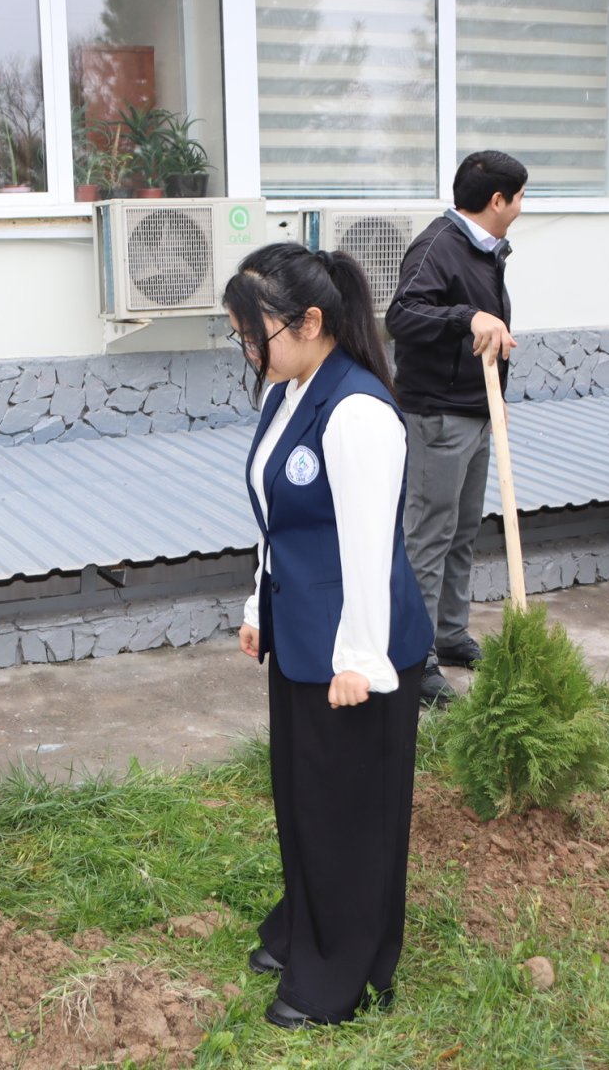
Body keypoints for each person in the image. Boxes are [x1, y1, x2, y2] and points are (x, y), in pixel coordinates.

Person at [228, 242, 433, 1029]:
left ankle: (341, 975)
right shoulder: (292, 387)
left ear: (311, 322)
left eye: (258, 335)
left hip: (356, 653)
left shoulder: (357, 413)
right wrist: (257, 607)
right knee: (304, 797)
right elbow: (278, 520)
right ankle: (304, 925)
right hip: (303, 636)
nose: (251, 351)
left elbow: (369, 549)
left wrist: (359, 659)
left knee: (350, 811)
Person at [385, 150, 528, 705]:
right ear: (498, 201)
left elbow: (486, 338)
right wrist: (467, 316)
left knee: (463, 532)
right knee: (429, 534)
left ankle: (449, 634)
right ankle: (414, 658)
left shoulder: (485, 249)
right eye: (519, 196)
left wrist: (494, 400)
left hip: (474, 410)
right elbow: (402, 317)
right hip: (437, 418)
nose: (521, 205)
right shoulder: (438, 245)